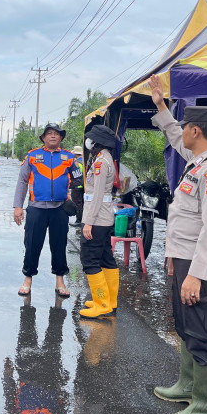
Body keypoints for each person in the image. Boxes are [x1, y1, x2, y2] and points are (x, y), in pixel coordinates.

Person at [148, 75, 207, 414]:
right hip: (184, 258)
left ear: (195, 131)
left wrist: (195, 274)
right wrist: (161, 106)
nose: (180, 131)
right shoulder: (197, 161)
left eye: (185, 127)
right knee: (185, 325)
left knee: (201, 330)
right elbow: (171, 135)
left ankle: (205, 405)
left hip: (202, 264)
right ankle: (187, 385)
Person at [13, 123, 82, 297]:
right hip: (36, 208)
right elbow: (22, 182)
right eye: (49, 133)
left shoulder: (69, 158)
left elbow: (78, 179)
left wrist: (66, 192)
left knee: (59, 245)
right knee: (32, 245)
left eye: (56, 134)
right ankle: (27, 279)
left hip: (59, 209)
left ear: (61, 138)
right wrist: (18, 207)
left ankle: (60, 281)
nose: (53, 136)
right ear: (43, 138)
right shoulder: (32, 156)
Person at [78, 124, 119, 319]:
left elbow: (97, 195)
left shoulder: (101, 163)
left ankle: (101, 303)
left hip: (97, 219)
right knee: (105, 258)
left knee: (90, 260)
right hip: (104, 218)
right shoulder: (105, 159)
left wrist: (88, 222)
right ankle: (109, 301)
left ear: (96, 143)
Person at [71, 145, 85, 224]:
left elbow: (75, 174)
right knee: (83, 202)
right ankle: (83, 219)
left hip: (77, 186)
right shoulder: (85, 161)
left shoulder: (76, 162)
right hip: (84, 186)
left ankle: (79, 220)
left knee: (77, 203)